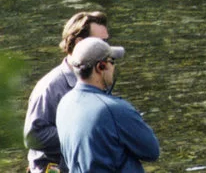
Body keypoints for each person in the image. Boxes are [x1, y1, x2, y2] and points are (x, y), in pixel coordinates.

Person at [55, 37, 160, 173]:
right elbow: (152, 152)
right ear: (100, 67)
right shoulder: (115, 110)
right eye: (112, 62)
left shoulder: (64, 103)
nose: (114, 67)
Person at [24, 10, 110, 173]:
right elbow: (33, 137)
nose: (107, 49)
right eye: (100, 43)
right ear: (79, 43)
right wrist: (82, 132)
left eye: (107, 42)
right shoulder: (50, 86)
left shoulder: (100, 76)